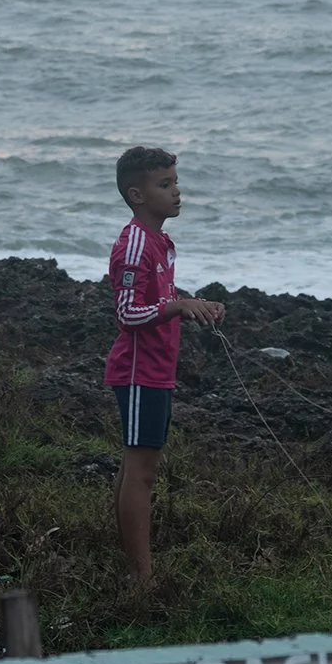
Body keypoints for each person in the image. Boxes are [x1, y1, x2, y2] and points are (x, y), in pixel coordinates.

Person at [105, 145, 224, 590]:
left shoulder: (159, 241)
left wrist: (193, 304)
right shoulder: (135, 241)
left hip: (156, 370)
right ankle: (141, 576)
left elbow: (158, 297)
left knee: (136, 467)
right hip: (138, 372)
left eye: (175, 182)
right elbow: (127, 313)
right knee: (142, 472)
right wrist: (177, 307)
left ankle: (131, 563)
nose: (177, 192)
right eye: (165, 184)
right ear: (137, 194)